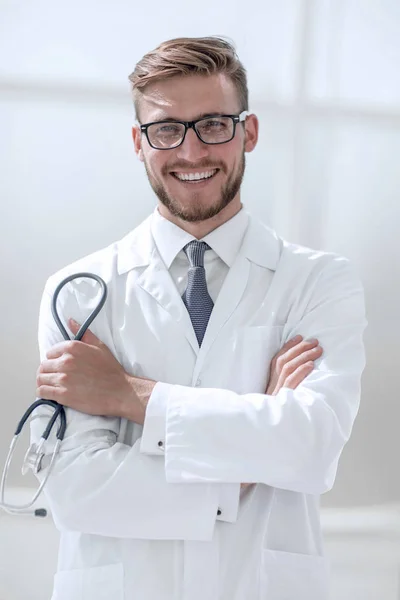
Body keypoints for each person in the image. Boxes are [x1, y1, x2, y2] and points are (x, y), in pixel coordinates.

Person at [31, 36, 367, 600]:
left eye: (213, 124)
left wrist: (131, 396)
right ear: (139, 143)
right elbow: (74, 486)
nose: (191, 152)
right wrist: (248, 461)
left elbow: (311, 450)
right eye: (167, 129)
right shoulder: (78, 292)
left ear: (248, 132)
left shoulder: (319, 283)